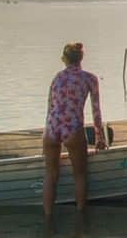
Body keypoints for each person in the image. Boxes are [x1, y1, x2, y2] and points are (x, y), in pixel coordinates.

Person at [44, 42, 105, 219]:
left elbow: (50, 108)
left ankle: (47, 219)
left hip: (52, 127)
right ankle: (80, 217)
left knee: (50, 175)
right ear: (81, 58)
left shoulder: (56, 78)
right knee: (79, 174)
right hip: (72, 128)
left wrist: (48, 130)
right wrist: (99, 137)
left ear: (64, 59)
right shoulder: (90, 79)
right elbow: (96, 112)